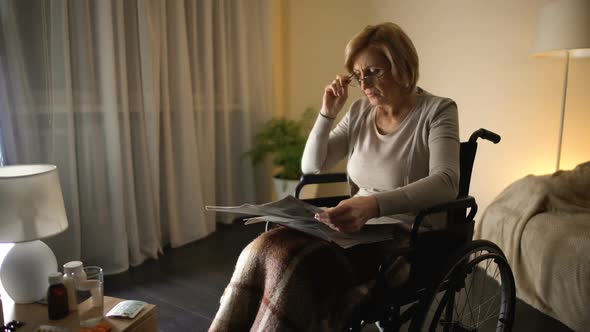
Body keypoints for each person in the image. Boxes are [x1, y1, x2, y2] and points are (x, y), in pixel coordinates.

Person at [209, 22, 459, 332]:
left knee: (296, 268)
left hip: (405, 235)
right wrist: (327, 112)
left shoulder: (437, 111)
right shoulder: (359, 112)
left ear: (402, 66)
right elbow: (311, 166)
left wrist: (372, 205)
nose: (365, 83)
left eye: (374, 72)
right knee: (261, 249)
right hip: (354, 228)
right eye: (358, 76)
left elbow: (447, 181)